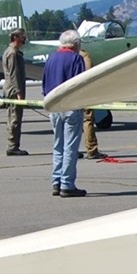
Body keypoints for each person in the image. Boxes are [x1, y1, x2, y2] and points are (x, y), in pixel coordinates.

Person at [40, 30, 87, 196]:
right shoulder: (76, 59)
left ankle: (56, 180)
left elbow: (44, 82)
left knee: (58, 145)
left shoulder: (51, 58)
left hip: (54, 106)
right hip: (70, 106)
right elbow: (80, 83)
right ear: (75, 44)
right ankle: (67, 184)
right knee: (70, 147)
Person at [2, 29, 29, 155]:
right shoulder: (12, 53)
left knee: (14, 118)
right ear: (15, 37)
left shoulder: (12, 52)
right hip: (13, 90)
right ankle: (12, 146)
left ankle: (14, 144)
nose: (24, 38)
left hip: (12, 89)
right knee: (14, 118)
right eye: (22, 36)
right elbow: (14, 75)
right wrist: (19, 92)